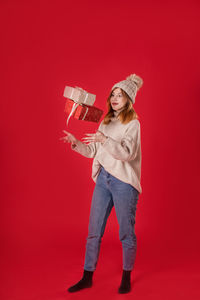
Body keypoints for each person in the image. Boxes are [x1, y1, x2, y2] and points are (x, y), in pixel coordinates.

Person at [60, 74, 143, 294]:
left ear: (128, 99)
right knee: (93, 231)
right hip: (104, 180)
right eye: (113, 95)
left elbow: (126, 153)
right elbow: (94, 151)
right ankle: (87, 277)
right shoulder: (105, 121)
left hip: (124, 182)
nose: (115, 98)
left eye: (120, 95)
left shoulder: (133, 124)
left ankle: (126, 276)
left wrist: (105, 140)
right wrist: (76, 143)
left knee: (126, 232)